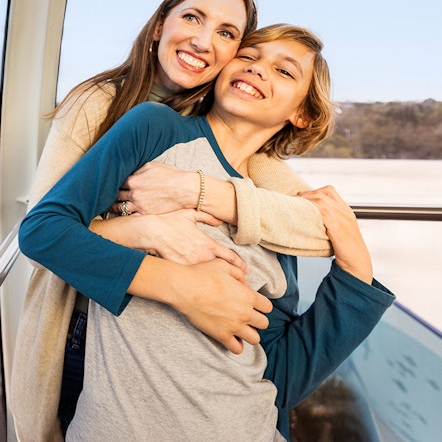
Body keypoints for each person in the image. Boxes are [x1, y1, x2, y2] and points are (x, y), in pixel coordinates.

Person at [18, 25, 394, 441]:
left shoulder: (276, 215)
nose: (257, 69)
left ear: (301, 114)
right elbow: (43, 232)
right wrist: (179, 282)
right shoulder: (155, 129)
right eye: (248, 56)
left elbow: (280, 377)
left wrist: (356, 270)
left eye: (284, 71)